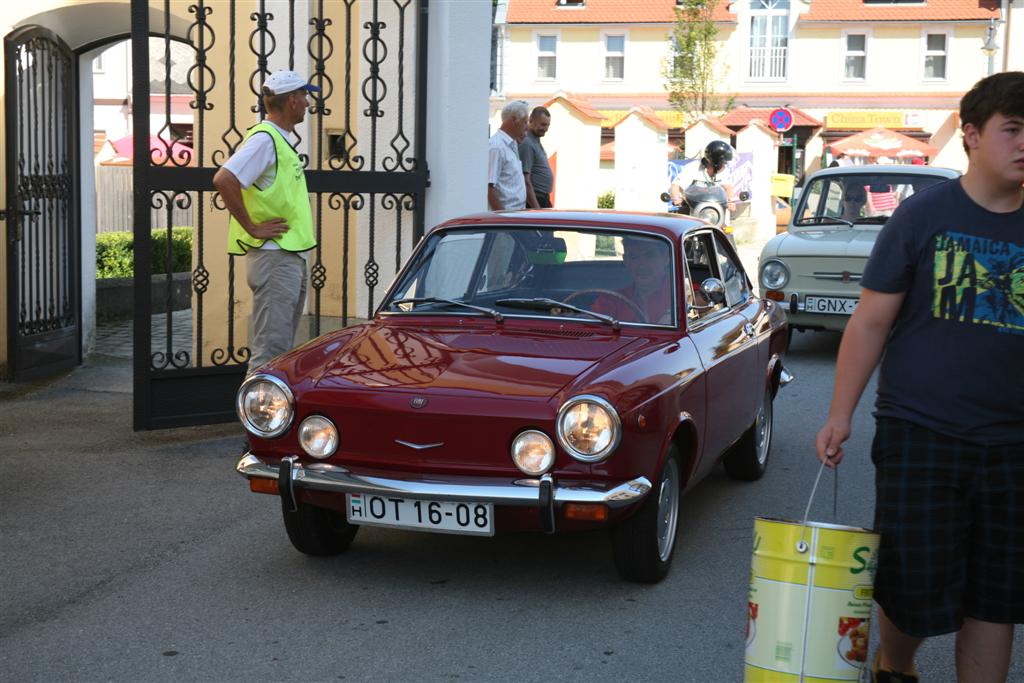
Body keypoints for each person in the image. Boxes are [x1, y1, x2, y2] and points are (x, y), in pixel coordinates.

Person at [814, 71, 1024, 683]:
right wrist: (839, 414)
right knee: (911, 582)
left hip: (1013, 443)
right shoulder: (923, 216)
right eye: (1012, 129)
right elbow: (871, 322)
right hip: (920, 431)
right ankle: (895, 663)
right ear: (973, 136)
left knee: (997, 595)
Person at [212, 70, 320, 372]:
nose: (308, 102)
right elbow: (224, 179)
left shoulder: (279, 141)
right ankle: (256, 418)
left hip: (287, 255)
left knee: (279, 348)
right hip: (275, 258)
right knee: (270, 351)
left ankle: (268, 415)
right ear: (293, 100)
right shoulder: (265, 140)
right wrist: (252, 227)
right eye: (305, 96)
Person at [591, 237, 673, 324]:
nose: (642, 265)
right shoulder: (611, 300)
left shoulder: (677, 295)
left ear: (666, 259)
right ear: (626, 261)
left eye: (649, 256)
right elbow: (592, 328)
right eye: (634, 257)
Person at [669, 140, 737, 214]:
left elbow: (728, 187)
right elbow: (675, 185)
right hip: (691, 208)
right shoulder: (693, 167)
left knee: (724, 225)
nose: (724, 165)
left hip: (714, 210)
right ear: (716, 163)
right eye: (723, 163)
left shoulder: (723, 170)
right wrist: (676, 198)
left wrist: (730, 201)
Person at [488, 100, 529, 210]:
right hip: (506, 219)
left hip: (515, 216)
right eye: (525, 122)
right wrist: (502, 218)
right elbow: (489, 188)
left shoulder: (512, 144)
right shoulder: (496, 146)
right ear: (514, 119)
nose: (527, 127)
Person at [519, 106, 554, 208]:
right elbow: (525, 180)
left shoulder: (535, 140)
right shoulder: (527, 143)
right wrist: (536, 209)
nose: (545, 129)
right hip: (535, 199)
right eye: (542, 124)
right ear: (531, 120)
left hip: (542, 198)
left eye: (547, 125)